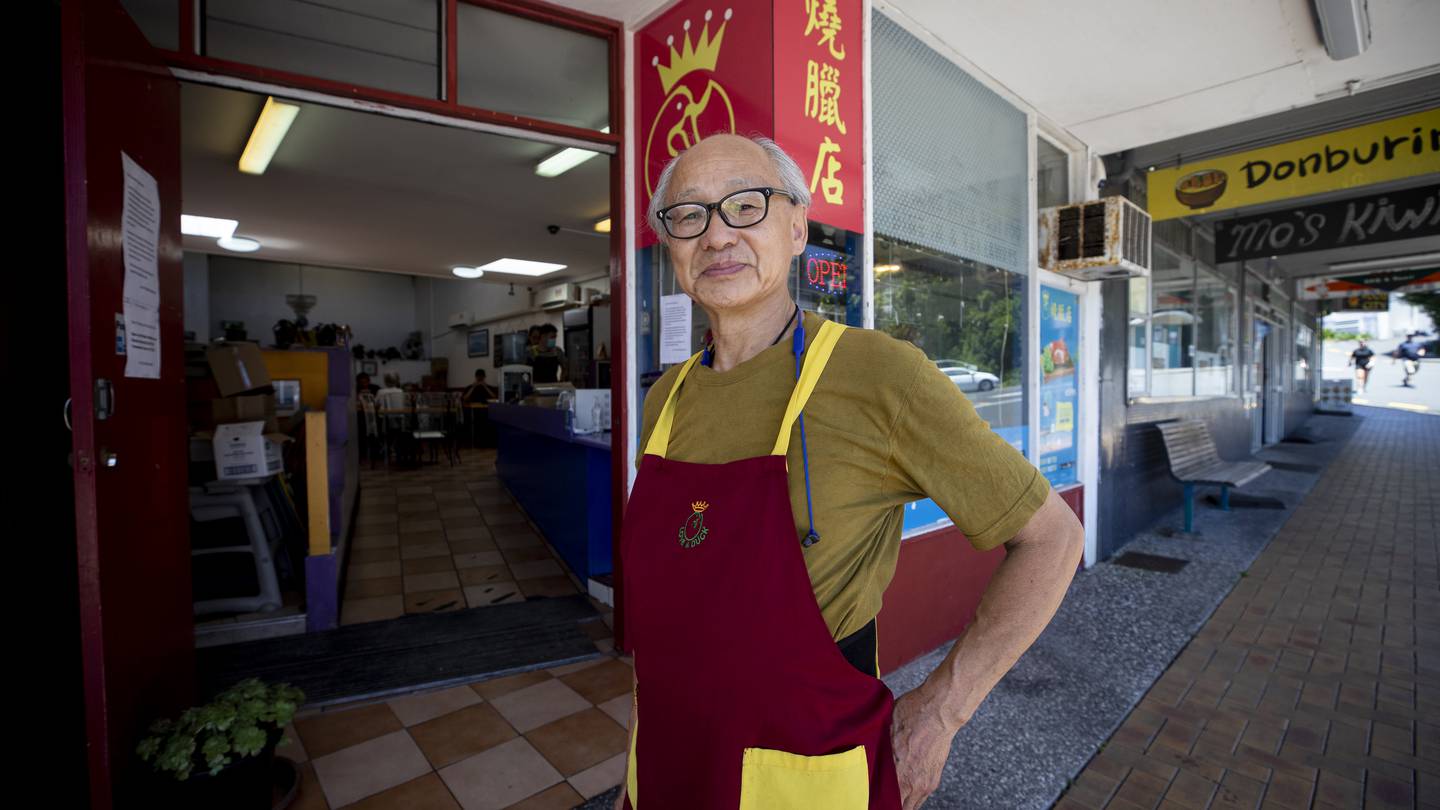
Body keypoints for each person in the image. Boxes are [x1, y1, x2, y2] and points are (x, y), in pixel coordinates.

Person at [615, 134, 1083, 810]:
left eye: (745, 206)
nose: (717, 235)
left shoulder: (878, 374)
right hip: (669, 762)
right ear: (672, 244)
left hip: (802, 771)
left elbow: (1053, 539)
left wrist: (939, 715)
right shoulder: (665, 399)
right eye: (689, 215)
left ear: (798, 227)